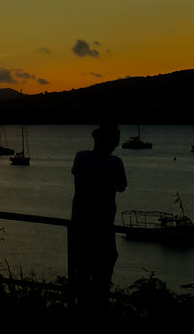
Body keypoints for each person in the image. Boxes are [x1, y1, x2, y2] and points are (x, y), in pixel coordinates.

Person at [70, 123, 127, 308]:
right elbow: (121, 186)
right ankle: (98, 311)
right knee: (103, 273)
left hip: (79, 224)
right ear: (111, 142)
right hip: (102, 226)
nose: (117, 145)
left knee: (82, 273)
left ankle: (81, 308)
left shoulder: (80, 157)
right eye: (115, 141)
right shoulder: (115, 163)